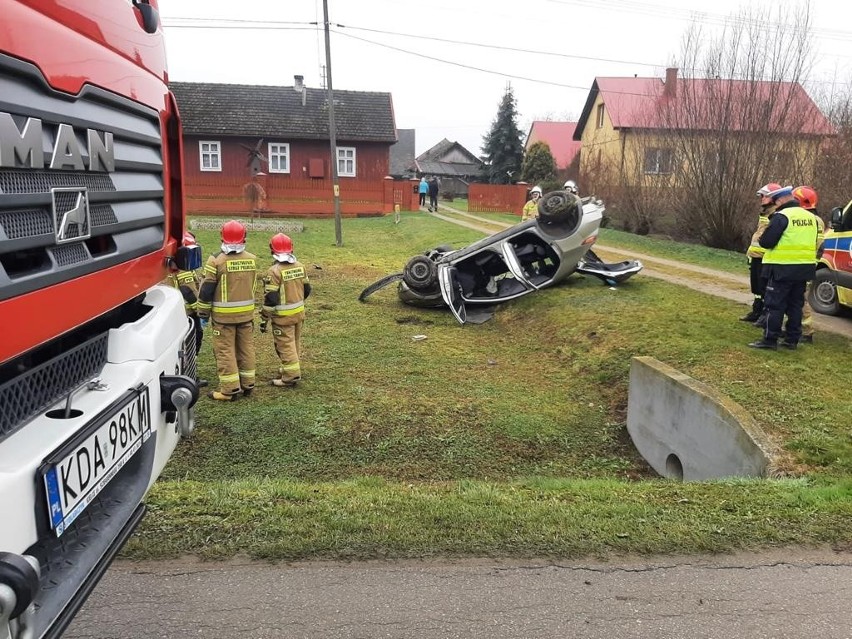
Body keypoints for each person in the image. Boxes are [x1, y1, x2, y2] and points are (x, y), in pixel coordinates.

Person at [748, 186, 818, 351]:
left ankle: (769, 339)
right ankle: (792, 339)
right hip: (803, 269)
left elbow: (767, 242)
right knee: (795, 305)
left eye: (776, 202)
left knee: (774, 305)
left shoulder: (782, 216)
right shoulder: (811, 217)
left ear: (780, 200)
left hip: (782, 268)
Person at [197, 220, 259, 400]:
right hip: (246, 315)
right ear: (244, 237)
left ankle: (229, 390)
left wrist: (203, 314)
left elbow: (206, 290)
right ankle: (248, 384)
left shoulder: (216, 260)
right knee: (246, 349)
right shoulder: (252, 259)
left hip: (223, 319)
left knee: (225, 351)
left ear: (221, 236)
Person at [260, 233, 311, 387]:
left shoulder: (274, 271)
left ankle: (290, 376)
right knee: (294, 342)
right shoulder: (300, 266)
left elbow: (272, 298)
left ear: (272, 250)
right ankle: (291, 368)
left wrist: (264, 318)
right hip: (298, 313)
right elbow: (307, 289)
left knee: (285, 345)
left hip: (282, 317)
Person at [164, 231, 208, 386]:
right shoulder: (184, 269)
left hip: (173, 314)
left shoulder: (169, 265)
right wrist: (201, 312)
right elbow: (189, 292)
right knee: (192, 343)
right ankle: (190, 376)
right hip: (187, 314)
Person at [741, 182, 781, 323]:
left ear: (773, 197)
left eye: (764, 196)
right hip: (756, 256)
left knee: (764, 288)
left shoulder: (776, 213)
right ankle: (756, 311)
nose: (762, 198)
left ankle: (764, 315)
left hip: (766, 257)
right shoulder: (765, 212)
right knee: (756, 288)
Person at [791, 185, 826, 344]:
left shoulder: (808, 219)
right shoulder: (817, 219)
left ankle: (806, 331)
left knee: (799, 299)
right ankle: (797, 327)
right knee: (797, 297)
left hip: (803, 264)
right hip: (808, 263)